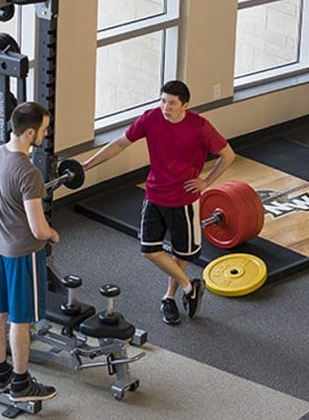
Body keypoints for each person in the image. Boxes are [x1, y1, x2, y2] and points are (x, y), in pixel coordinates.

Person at [82, 80, 235, 325]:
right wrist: (89, 164)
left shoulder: (200, 127)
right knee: (149, 251)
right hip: (154, 195)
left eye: (172, 103)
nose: (166, 107)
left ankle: (169, 297)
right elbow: (121, 143)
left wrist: (207, 182)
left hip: (184, 200)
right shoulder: (151, 118)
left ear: (185, 104)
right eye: (163, 101)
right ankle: (189, 286)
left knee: (181, 254)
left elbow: (228, 155)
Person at [0, 101, 59, 401]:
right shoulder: (28, 173)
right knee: (21, 318)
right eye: (43, 130)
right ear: (30, 133)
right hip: (23, 253)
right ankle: (20, 382)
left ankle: (0, 373)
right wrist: (53, 234)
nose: (45, 134)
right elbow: (38, 229)